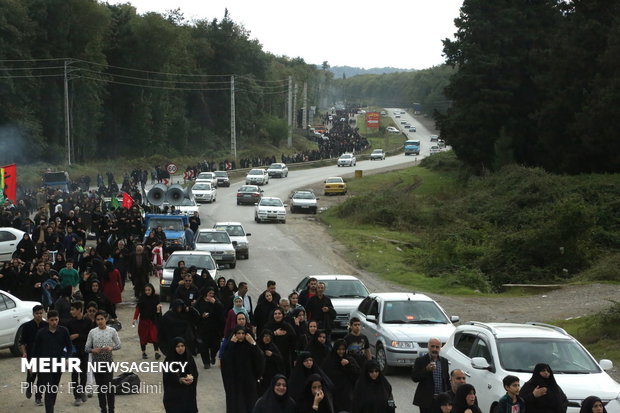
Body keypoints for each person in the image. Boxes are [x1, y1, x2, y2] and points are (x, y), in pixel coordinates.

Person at [31, 310, 72, 413]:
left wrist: (67, 358)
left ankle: (50, 407)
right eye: (52, 320)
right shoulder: (41, 333)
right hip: (45, 364)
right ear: (48, 320)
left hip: (59, 364)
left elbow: (69, 347)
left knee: (54, 388)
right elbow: (35, 350)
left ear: (58, 319)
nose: (54, 322)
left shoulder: (64, 331)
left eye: (56, 320)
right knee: (49, 389)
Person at [221, 325, 265, 413]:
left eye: (243, 333)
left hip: (249, 379)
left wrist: (253, 343)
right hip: (235, 380)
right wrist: (231, 344)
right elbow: (225, 360)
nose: (241, 335)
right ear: (234, 335)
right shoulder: (231, 345)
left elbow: (260, 357)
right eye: (238, 333)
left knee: (250, 402)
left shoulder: (250, 345)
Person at [85, 310, 121, 413]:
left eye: (102, 319)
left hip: (108, 362)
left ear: (106, 319)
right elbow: (86, 348)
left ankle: (111, 410)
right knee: (101, 389)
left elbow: (119, 345)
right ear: (95, 321)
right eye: (98, 319)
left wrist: (111, 348)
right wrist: (93, 350)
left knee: (109, 387)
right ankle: (103, 409)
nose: (100, 321)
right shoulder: (92, 332)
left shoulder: (112, 331)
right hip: (96, 363)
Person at [321, 338, 360, 413]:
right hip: (333, 394)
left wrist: (348, 365)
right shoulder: (329, 361)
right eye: (339, 349)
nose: (341, 351)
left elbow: (357, 374)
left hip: (347, 394)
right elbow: (324, 375)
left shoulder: (350, 360)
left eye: (343, 349)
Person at [411, 337, 450, 413]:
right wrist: (426, 370)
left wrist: (449, 396)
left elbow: (446, 380)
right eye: (432, 346)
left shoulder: (444, 361)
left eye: (437, 347)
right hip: (426, 400)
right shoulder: (420, 360)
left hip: (441, 400)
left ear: (440, 348)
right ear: (428, 347)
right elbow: (414, 378)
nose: (434, 349)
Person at [19, 304, 48, 404]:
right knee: (31, 374)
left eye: (41, 313)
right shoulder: (27, 326)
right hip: (31, 354)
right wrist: (24, 353)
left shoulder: (46, 325)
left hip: (43, 354)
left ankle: (38, 397)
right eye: (37, 313)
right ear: (33, 314)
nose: (39, 315)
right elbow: (22, 342)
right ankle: (29, 387)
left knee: (42, 377)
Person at [66, 301, 93, 406]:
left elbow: (90, 336)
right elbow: (67, 338)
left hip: (84, 350)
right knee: (74, 374)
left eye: (73, 309)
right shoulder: (70, 323)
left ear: (79, 310)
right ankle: (76, 396)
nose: (71, 311)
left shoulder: (88, 322)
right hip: (74, 352)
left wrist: (78, 335)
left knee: (83, 373)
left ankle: (82, 391)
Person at [162, 337, 199, 413]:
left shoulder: (189, 358)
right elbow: (167, 375)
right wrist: (179, 379)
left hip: (188, 393)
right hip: (174, 394)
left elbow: (194, 372)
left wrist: (191, 377)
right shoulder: (169, 360)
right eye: (178, 346)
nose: (180, 348)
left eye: (182, 346)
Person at [193, 287, 224, 369]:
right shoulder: (200, 302)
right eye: (209, 293)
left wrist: (215, 303)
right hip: (203, 328)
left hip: (214, 328)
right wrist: (201, 315)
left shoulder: (216, 301)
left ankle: (213, 356)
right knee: (203, 346)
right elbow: (195, 313)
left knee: (215, 345)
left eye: (212, 294)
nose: (211, 295)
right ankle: (206, 362)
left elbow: (221, 312)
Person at [132, 283, 162, 360]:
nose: (147, 292)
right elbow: (138, 309)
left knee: (154, 336)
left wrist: (158, 311)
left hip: (152, 320)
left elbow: (159, 309)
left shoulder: (156, 298)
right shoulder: (142, 298)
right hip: (143, 321)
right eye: (146, 290)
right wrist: (134, 318)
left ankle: (156, 352)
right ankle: (143, 352)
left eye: (149, 290)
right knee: (143, 337)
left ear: (152, 290)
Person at [264, 307, 297, 376]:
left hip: (285, 357)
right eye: (275, 314)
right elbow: (263, 339)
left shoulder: (288, 327)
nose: (277, 315)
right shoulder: (268, 326)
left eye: (279, 313)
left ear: (283, 315)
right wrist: (274, 333)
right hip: (271, 357)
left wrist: (294, 358)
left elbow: (294, 342)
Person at [257, 329, 285, 395]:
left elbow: (280, 359)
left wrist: (272, 355)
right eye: (265, 336)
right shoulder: (258, 347)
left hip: (272, 375)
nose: (267, 338)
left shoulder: (273, 347)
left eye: (269, 336)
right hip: (262, 376)